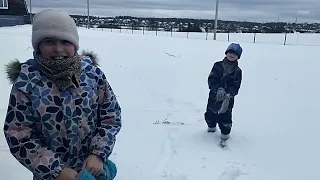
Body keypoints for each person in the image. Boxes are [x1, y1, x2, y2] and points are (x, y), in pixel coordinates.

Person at [3, 9, 121, 180]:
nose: (58, 49)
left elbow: (111, 116)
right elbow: (19, 135)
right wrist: (56, 170)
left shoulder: (93, 75)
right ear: (38, 45)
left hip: (91, 170)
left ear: (75, 44)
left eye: (65, 41)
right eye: (49, 41)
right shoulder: (26, 83)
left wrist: (98, 153)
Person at [204, 43, 242, 141]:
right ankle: (211, 127)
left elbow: (236, 85)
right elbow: (212, 79)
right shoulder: (217, 65)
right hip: (214, 95)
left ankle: (225, 133)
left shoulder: (237, 71)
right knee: (211, 111)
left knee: (225, 114)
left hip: (228, 99)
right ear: (226, 53)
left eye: (235, 54)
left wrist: (229, 93)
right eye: (230, 52)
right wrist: (217, 89)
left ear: (238, 57)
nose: (232, 55)